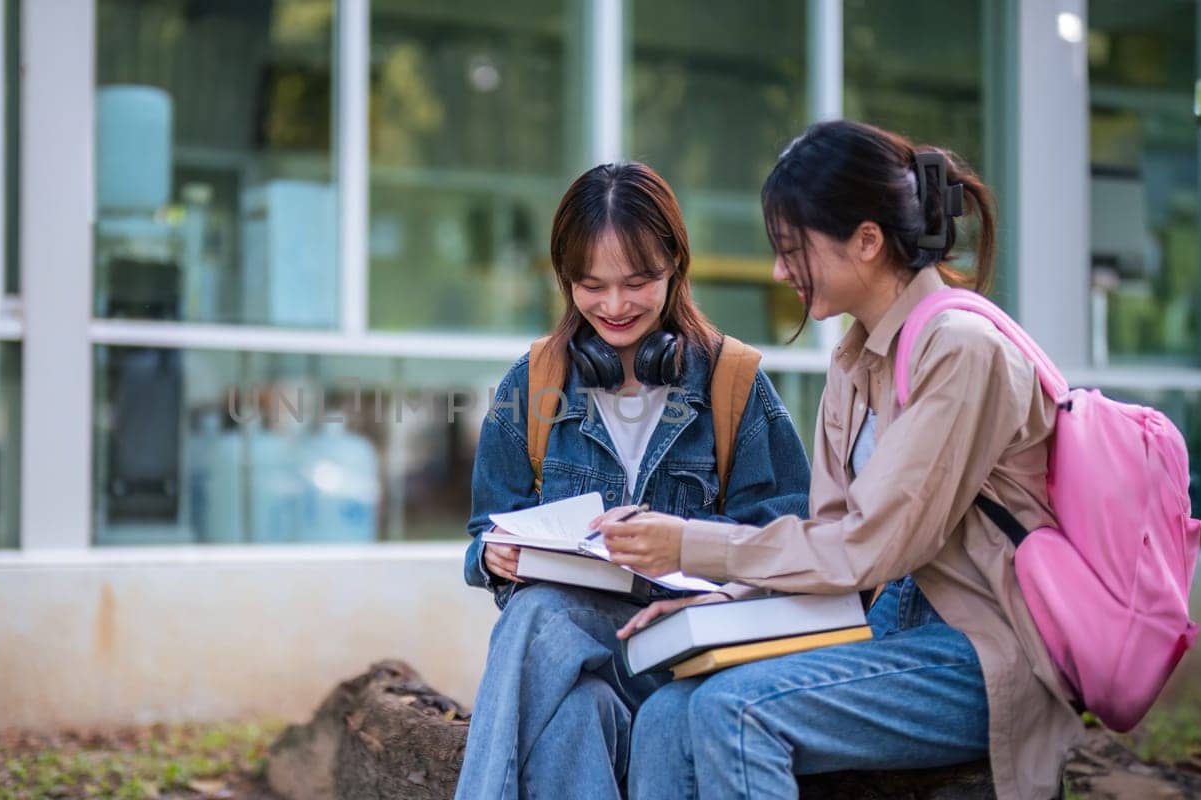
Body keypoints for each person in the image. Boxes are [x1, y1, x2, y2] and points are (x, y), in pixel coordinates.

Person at [597, 120, 1083, 800]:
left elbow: (866, 550)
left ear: (866, 240)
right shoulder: (855, 363)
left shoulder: (962, 351)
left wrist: (690, 546)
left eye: (793, 249)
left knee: (732, 710)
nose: (778, 271)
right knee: (665, 716)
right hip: (885, 632)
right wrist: (723, 599)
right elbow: (827, 542)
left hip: (982, 652)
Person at [455, 161, 812, 799]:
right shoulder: (532, 383)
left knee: (536, 617)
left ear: (675, 265)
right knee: (571, 714)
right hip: (580, 643)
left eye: (638, 282)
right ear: (566, 279)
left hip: (686, 644)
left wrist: (684, 541)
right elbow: (485, 529)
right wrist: (494, 554)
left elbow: (791, 527)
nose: (614, 308)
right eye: (591, 286)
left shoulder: (734, 383)